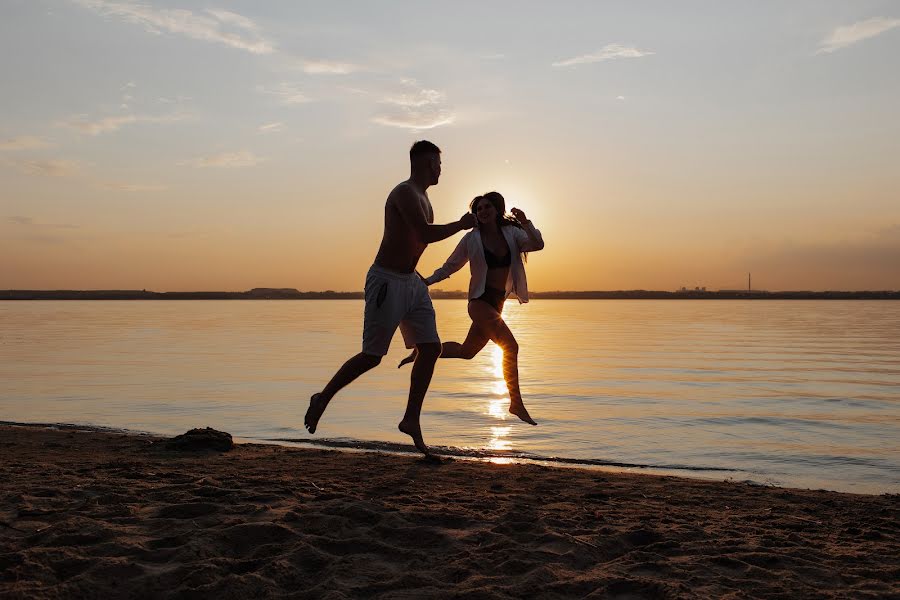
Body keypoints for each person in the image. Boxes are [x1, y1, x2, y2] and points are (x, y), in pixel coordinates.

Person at [304, 141, 476, 457]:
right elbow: (423, 234)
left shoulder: (425, 198)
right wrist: (461, 224)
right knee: (372, 355)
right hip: (386, 280)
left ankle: (411, 419)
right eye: (438, 163)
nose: (441, 169)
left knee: (431, 348)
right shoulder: (405, 193)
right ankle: (323, 397)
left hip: (412, 282)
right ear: (426, 163)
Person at [399, 191, 544, 425]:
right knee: (511, 346)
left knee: (467, 352)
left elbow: (537, 244)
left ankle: (423, 351)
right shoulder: (471, 239)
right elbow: (451, 265)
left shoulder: (513, 233)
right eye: (479, 209)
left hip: (497, 305)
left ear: (497, 209)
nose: (483, 212)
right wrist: (428, 281)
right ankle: (515, 403)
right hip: (478, 303)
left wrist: (526, 222)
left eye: (487, 207)